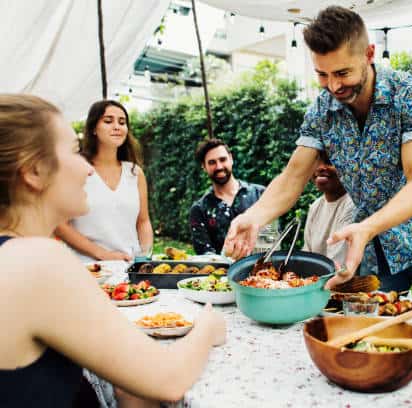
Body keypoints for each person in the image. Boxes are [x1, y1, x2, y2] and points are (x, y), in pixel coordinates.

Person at [0, 94, 226, 406]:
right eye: (74, 152)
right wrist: (208, 326)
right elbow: (167, 379)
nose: (87, 169)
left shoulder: (14, 257)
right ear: (34, 171)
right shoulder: (36, 262)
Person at [223, 6, 412, 299]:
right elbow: (293, 177)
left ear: (369, 54)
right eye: (322, 74)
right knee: (374, 331)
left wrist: (366, 227)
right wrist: (254, 216)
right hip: (375, 246)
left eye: (342, 72)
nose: (333, 85)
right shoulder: (321, 110)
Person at [54, 100, 153, 262]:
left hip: (130, 267)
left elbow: (143, 221)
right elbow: (60, 225)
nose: (117, 126)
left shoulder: (135, 173)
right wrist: (102, 254)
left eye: (122, 122)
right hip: (88, 268)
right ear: (93, 128)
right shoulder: (76, 168)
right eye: (108, 121)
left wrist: (145, 254)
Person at [189, 138, 265, 255]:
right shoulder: (199, 210)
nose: (219, 166)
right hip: (223, 273)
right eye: (212, 162)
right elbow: (206, 256)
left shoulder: (260, 194)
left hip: (264, 270)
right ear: (204, 166)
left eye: (223, 159)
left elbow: (273, 239)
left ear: (231, 159)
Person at [303, 151, 355, 264]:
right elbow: (307, 255)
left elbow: (337, 264)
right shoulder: (315, 206)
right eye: (316, 162)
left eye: (329, 162)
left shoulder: (352, 205)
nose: (320, 167)